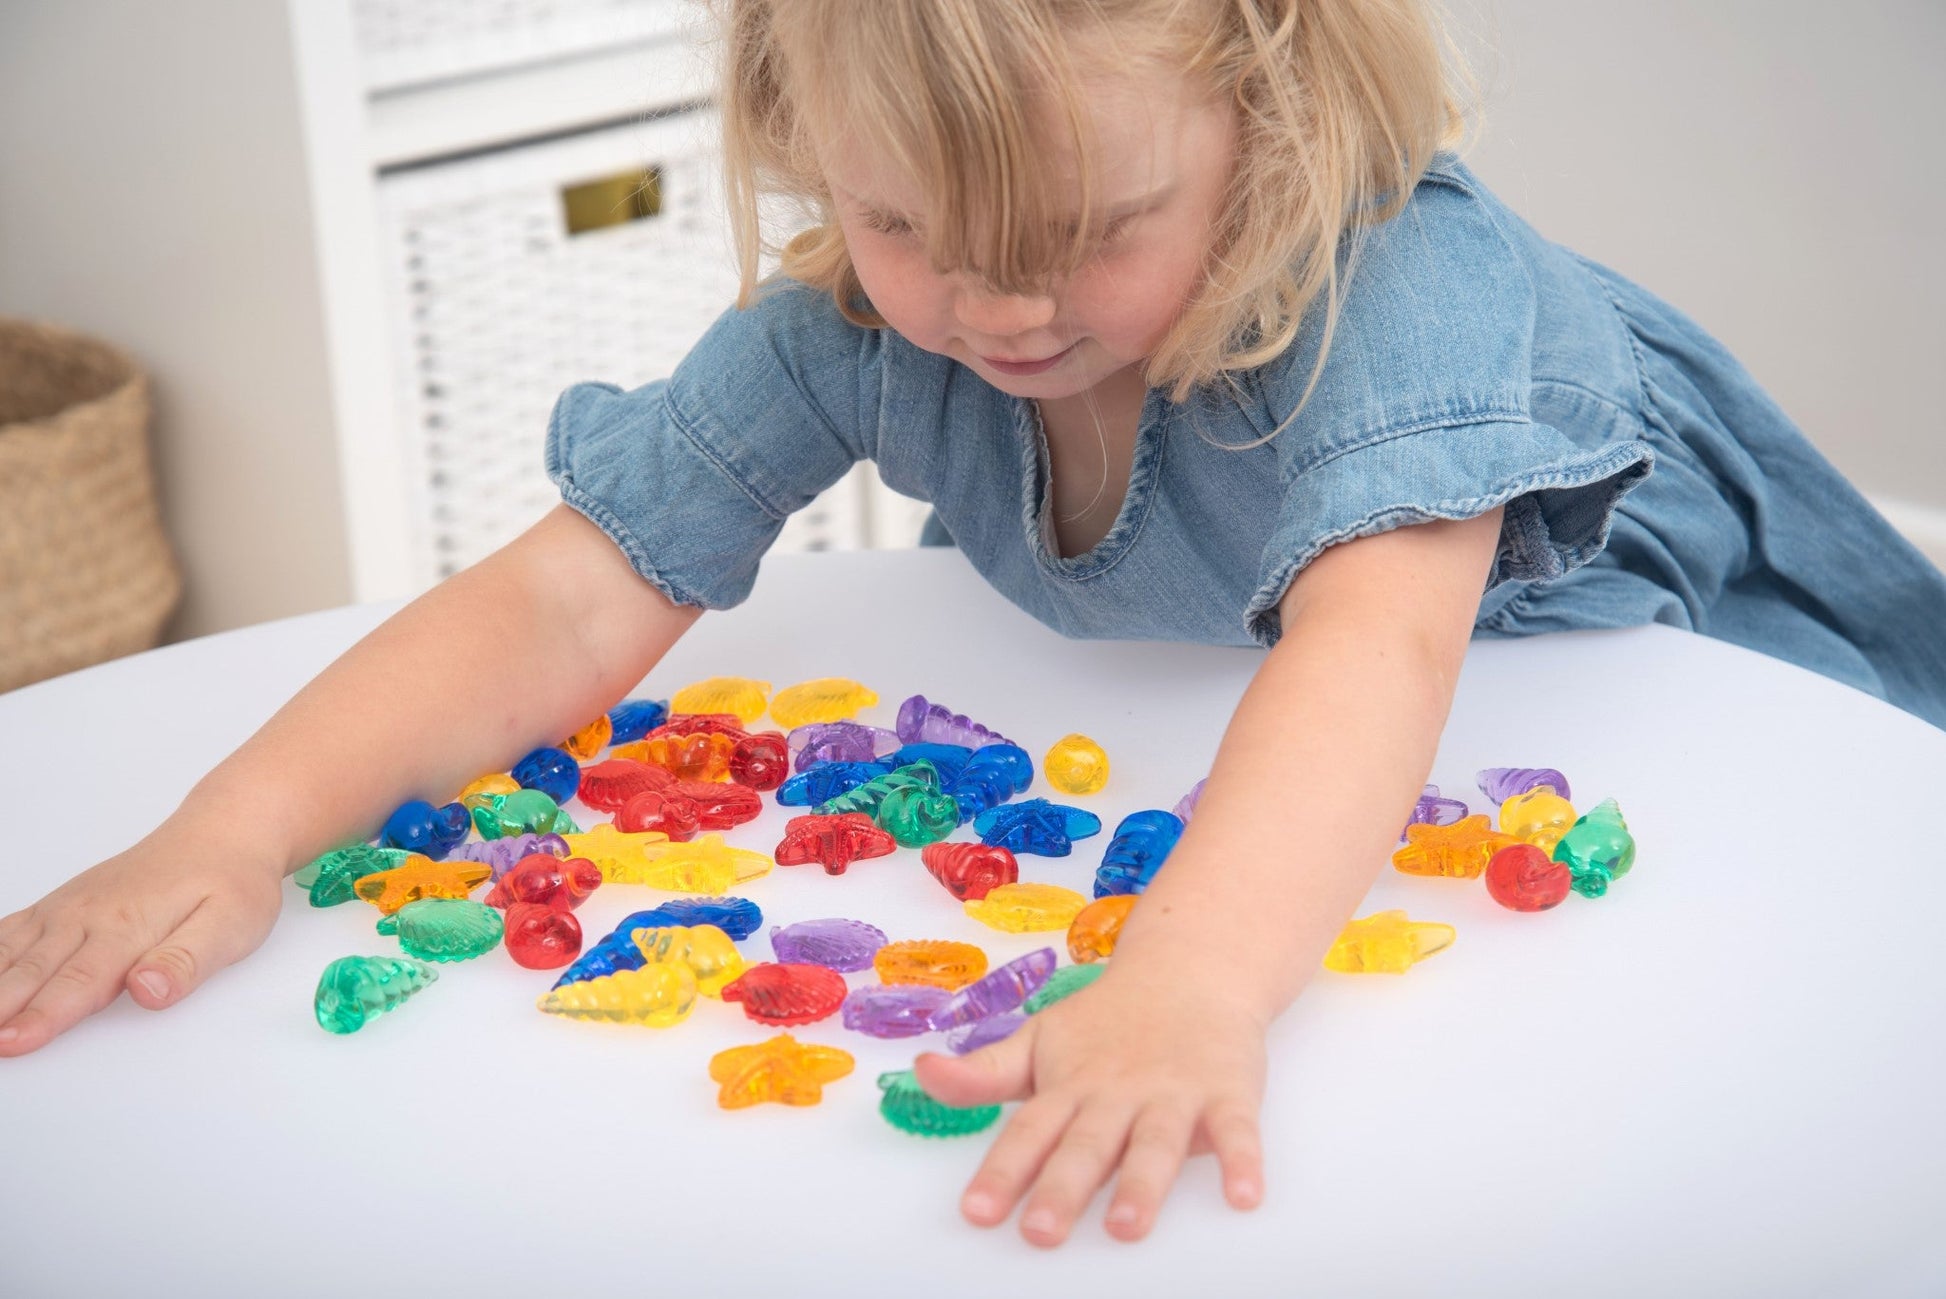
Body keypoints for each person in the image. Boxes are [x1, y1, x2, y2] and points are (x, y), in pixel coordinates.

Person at [3, 0, 1943, 1247]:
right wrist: (229, 827)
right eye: (910, 224)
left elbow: (1378, 649)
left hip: (1642, 645)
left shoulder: (1401, 291)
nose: (1000, 303)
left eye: (1096, 227)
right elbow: (569, 584)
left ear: (1274, 122)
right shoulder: (850, 313)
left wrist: (1182, 983)